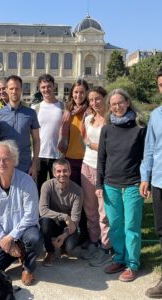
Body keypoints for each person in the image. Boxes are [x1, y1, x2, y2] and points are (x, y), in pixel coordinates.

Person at [96, 88, 146, 282]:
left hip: (133, 183)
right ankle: (119, 258)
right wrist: (99, 184)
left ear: (127, 102)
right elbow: (102, 158)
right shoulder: (107, 129)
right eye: (113, 104)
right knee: (115, 225)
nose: (117, 107)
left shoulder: (140, 127)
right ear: (110, 106)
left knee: (131, 225)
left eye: (120, 103)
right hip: (111, 185)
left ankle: (132, 264)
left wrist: (145, 181)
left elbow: (146, 157)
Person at [0, 140, 42, 286]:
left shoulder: (27, 181)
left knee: (34, 238)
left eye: (6, 159)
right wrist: (5, 241)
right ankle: (17, 252)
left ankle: (28, 267)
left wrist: (11, 238)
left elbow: (31, 216)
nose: (1, 163)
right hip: (0, 236)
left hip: (24, 231)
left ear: (14, 160)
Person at [80, 86, 112, 266]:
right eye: (91, 100)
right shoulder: (88, 118)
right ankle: (94, 241)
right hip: (87, 165)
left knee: (103, 211)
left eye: (98, 98)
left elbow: (111, 147)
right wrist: (91, 145)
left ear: (104, 98)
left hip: (104, 169)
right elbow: (84, 138)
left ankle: (106, 247)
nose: (94, 103)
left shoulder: (111, 120)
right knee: (90, 209)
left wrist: (95, 146)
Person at [57, 79, 89, 246]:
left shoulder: (89, 112)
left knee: (87, 200)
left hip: (86, 160)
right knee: (73, 199)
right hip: (70, 160)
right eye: (75, 92)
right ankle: (73, 232)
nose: (78, 95)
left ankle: (86, 233)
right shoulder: (68, 112)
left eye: (82, 92)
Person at [140, 69, 162, 298]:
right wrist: (145, 177)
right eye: (161, 84)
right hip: (159, 181)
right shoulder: (156, 115)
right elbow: (149, 150)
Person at [0, 75, 40, 180]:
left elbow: (36, 140)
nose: (14, 91)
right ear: (7, 90)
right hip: (4, 165)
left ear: (21, 90)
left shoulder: (30, 113)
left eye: (17, 88)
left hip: (26, 165)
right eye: (11, 88)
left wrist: (34, 164)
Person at [39, 158, 82, 267]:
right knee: (44, 221)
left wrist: (64, 236)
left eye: (65, 170)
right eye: (58, 171)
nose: (62, 174)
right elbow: (43, 210)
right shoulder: (47, 186)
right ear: (53, 173)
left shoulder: (77, 191)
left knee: (69, 247)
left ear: (70, 172)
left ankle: (62, 245)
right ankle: (50, 251)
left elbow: (75, 220)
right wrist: (65, 216)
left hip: (67, 226)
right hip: (51, 222)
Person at [32, 74, 64, 193]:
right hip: (39, 155)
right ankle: (40, 212)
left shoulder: (62, 107)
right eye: (43, 87)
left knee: (58, 190)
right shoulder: (35, 108)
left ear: (54, 86)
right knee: (39, 189)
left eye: (49, 86)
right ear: (39, 89)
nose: (46, 89)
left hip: (57, 155)